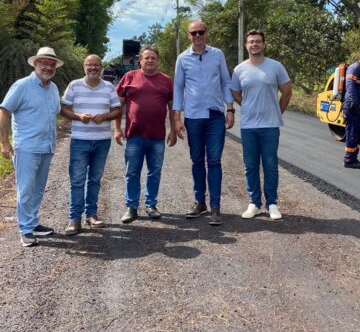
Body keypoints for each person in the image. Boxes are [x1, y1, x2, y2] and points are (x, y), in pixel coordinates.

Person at [173, 20, 234, 226]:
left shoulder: (217, 54)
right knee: (197, 160)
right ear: (189, 36)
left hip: (215, 114)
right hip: (193, 116)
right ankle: (200, 202)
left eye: (201, 32)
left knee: (214, 160)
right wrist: (177, 117)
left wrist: (230, 108)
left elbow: (226, 81)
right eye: (193, 33)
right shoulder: (182, 59)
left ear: (206, 33)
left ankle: (215, 206)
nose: (197, 35)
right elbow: (178, 88)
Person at [0, 47, 63, 247]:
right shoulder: (22, 86)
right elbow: (4, 111)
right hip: (26, 147)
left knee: (38, 189)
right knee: (26, 189)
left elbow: (56, 113)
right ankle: (25, 230)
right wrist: (4, 143)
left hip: (47, 146)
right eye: (44, 63)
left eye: (52, 64)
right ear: (35, 64)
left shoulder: (53, 88)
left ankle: (34, 223)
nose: (48, 67)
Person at [230, 30, 292, 220]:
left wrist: (276, 111)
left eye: (258, 41)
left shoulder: (276, 67)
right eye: (251, 42)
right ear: (246, 45)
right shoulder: (239, 69)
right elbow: (234, 92)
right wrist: (247, 106)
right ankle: (254, 203)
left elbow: (287, 92)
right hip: (248, 126)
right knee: (250, 165)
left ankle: (272, 203)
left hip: (270, 125)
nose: (254, 44)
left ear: (264, 44)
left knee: (270, 164)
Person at [114, 46, 176, 223]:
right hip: (134, 136)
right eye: (146, 58)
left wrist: (172, 130)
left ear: (158, 60)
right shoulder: (129, 77)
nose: (150, 61)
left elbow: (173, 109)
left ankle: (151, 205)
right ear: (140, 60)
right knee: (132, 172)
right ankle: (131, 207)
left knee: (154, 172)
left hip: (157, 136)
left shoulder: (166, 80)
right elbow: (117, 106)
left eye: (153, 58)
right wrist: (117, 129)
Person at [61, 55, 122, 235]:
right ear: (84, 67)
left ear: (101, 67)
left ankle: (92, 215)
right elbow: (64, 108)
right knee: (77, 180)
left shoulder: (109, 87)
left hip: (102, 140)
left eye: (96, 65)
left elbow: (118, 110)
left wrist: (105, 116)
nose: (93, 68)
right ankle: (74, 219)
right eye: (89, 65)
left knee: (95, 180)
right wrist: (78, 116)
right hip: (80, 140)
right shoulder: (74, 85)